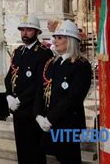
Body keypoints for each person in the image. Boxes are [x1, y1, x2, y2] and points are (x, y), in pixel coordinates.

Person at [34, 20, 92, 164]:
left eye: (60, 38)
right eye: (56, 37)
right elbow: (41, 89)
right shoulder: (53, 62)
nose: (55, 40)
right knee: (53, 157)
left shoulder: (81, 65)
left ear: (71, 40)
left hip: (67, 124)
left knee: (69, 159)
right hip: (49, 123)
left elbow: (73, 98)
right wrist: (38, 115)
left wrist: (50, 118)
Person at [5, 15, 53, 164]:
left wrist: (19, 99)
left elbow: (40, 83)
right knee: (22, 146)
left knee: (34, 148)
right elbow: (9, 77)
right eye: (23, 30)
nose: (25, 33)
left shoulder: (44, 52)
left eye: (29, 30)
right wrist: (8, 96)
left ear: (37, 32)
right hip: (17, 108)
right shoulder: (19, 51)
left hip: (33, 108)